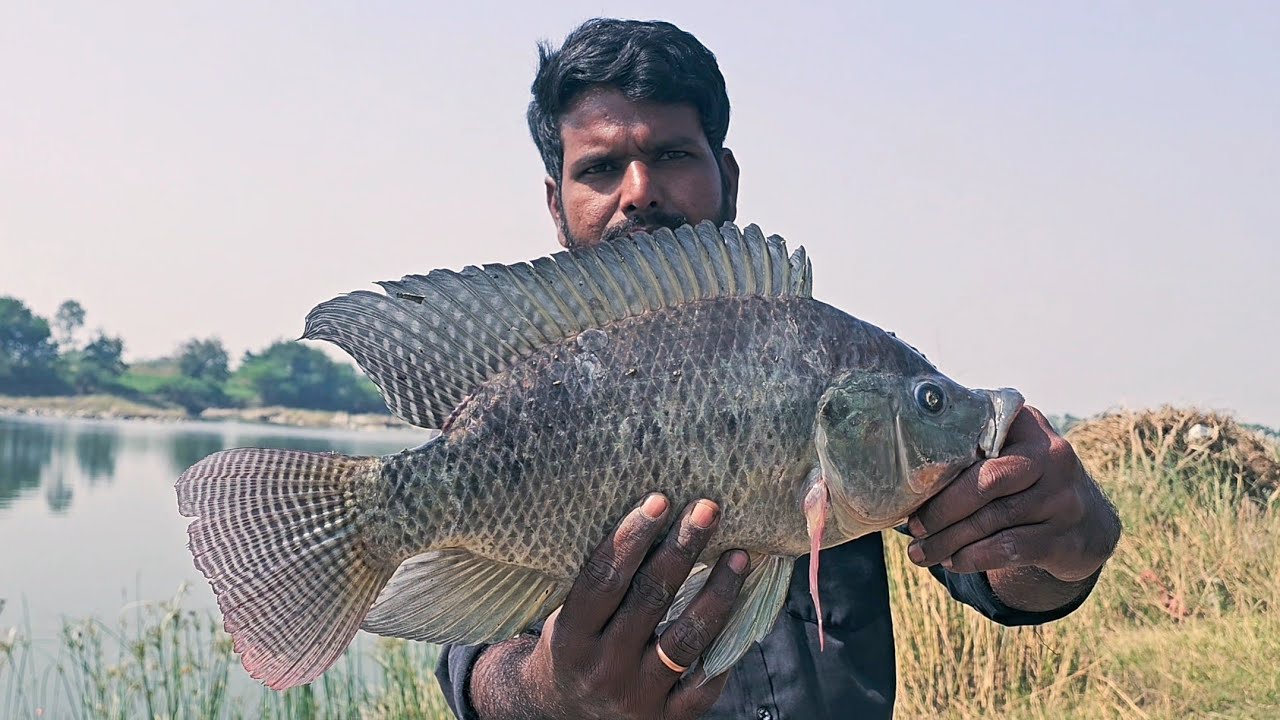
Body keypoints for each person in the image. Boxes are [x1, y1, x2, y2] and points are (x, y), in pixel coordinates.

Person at [435, 18, 1122, 720]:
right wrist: (543, 694)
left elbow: (999, 570)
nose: (638, 190)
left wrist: (1066, 539)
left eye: (671, 154)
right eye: (601, 168)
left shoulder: (834, 363)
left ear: (725, 176)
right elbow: (472, 658)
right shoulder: (523, 383)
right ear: (556, 203)